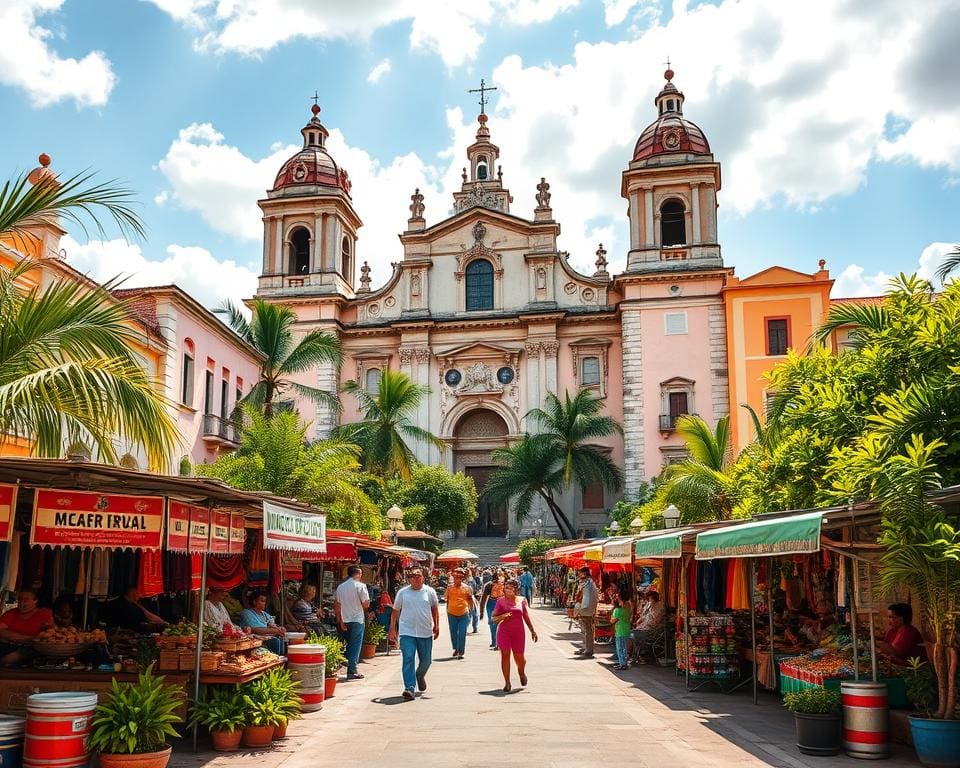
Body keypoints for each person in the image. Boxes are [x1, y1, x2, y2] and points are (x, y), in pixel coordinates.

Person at [388, 567, 439, 701]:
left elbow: (434, 609)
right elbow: (395, 611)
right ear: (409, 579)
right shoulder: (403, 593)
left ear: (423, 577)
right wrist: (392, 629)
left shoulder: (430, 592)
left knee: (426, 661)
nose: (415, 578)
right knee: (408, 658)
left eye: (418, 576)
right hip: (407, 631)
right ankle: (409, 687)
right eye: (412, 576)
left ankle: (420, 675)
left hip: (425, 631)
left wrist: (437, 625)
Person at [491, 578, 537, 692]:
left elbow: (525, 616)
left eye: (511, 587)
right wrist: (504, 616)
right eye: (506, 587)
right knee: (505, 655)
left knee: (519, 658)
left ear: (516, 589)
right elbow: (494, 618)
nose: (508, 590)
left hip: (518, 632)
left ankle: (521, 672)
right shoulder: (500, 601)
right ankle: (507, 682)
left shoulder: (521, 600)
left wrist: (532, 631)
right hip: (504, 631)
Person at [335, 565, 371, 680]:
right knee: (355, 645)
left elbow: (337, 605)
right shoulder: (361, 586)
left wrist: (340, 620)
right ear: (358, 574)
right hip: (357, 619)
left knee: (348, 644)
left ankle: (346, 663)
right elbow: (366, 604)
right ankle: (352, 670)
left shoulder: (340, 587)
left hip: (344, 619)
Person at [0, 589, 54, 665]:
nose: (22, 602)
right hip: (9, 645)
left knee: (11, 658)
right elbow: (1, 631)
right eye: (20, 599)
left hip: (33, 648)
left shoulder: (45, 613)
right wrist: (28, 638)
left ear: (35, 601)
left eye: (26, 600)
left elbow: (47, 635)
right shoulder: (10, 613)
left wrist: (17, 638)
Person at [444, 568, 474, 659]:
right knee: (453, 632)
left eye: (459, 577)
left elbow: (470, 600)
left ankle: (461, 651)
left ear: (462, 578)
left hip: (463, 613)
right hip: (451, 613)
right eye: (456, 577)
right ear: (453, 577)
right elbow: (447, 600)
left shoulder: (467, 588)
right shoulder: (449, 588)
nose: (457, 579)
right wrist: (447, 611)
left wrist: (471, 611)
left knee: (462, 632)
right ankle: (456, 648)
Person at [631, 590, 665, 663]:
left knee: (633, 635)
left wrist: (651, 608)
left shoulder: (659, 605)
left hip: (652, 629)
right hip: (645, 627)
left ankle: (639, 655)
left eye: (649, 599)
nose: (649, 600)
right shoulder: (651, 605)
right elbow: (646, 616)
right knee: (631, 634)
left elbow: (654, 618)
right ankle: (635, 655)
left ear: (653, 598)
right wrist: (640, 620)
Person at [574, 567, 598, 658]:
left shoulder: (587, 584)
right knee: (586, 630)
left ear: (584, 574)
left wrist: (580, 609)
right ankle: (587, 648)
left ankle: (589, 650)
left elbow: (586, 598)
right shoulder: (589, 583)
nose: (579, 575)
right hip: (587, 610)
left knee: (588, 631)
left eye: (580, 573)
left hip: (587, 610)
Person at [479, 570, 506, 650]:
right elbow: (483, 598)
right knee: (493, 624)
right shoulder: (490, 585)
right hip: (492, 604)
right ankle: (495, 641)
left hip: (496, 604)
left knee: (495, 624)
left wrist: (481, 611)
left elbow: (483, 599)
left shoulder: (504, 585)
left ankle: (497, 642)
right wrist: (481, 611)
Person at [611, 585, 633, 670]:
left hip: (620, 630)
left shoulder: (617, 611)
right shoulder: (627, 609)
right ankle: (623, 663)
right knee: (624, 647)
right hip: (626, 629)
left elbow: (612, 621)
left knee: (620, 648)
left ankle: (623, 664)